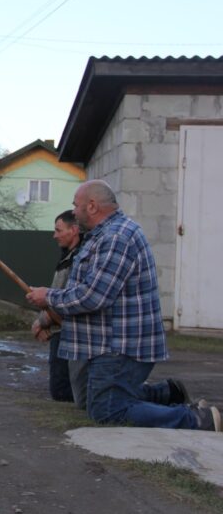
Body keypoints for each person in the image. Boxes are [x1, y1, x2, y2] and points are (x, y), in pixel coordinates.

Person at [27, 180, 220, 431]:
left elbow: (94, 296)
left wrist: (49, 297)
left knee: (107, 410)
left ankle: (197, 419)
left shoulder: (117, 237)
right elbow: (85, 288)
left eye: (76, 205)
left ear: (92, 206)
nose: (73, 211)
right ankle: (166, 393)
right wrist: (49, 315)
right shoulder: (100, 236)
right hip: (107, 344)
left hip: (121, 346)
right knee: (89, 400)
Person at [31, 210, 84, 404]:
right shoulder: (66, 257)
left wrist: (41, 322)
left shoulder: (78, 260)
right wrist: (43, 322)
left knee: (64, 390)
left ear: (74, 230)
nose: (54, 235)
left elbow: (67, 300)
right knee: (62, 390)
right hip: (60, 330)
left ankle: (156, 393)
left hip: (71, 332)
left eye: (58, 230)